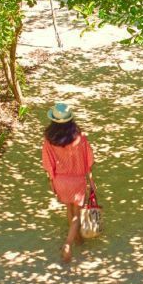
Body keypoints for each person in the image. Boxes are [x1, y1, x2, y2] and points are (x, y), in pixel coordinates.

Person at [39, 102, 96, 262]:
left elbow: (47, 162)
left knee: (69, 207)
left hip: (60, 180)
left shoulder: (49, 141)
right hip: (76, 180)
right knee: (78, 213)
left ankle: (77, 237)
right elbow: (88, 160)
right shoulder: (80, 138)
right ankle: (69, 243)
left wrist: (51, 180)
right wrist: (90, 179)